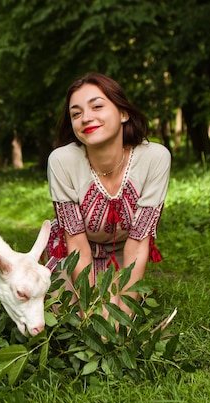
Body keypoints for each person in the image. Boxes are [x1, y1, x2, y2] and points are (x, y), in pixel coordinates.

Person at [45, 73, 171, 316]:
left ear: (123, 113)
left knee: (118, 314)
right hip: (76, 255)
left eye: (97, 106)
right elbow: (76, 242)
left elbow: (139, 240)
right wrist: (90, 311)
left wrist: (124, 314)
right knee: (67, 315)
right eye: (76, 113)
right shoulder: (61, 161)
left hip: (124, 254)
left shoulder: (155, 158)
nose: (86, 118)